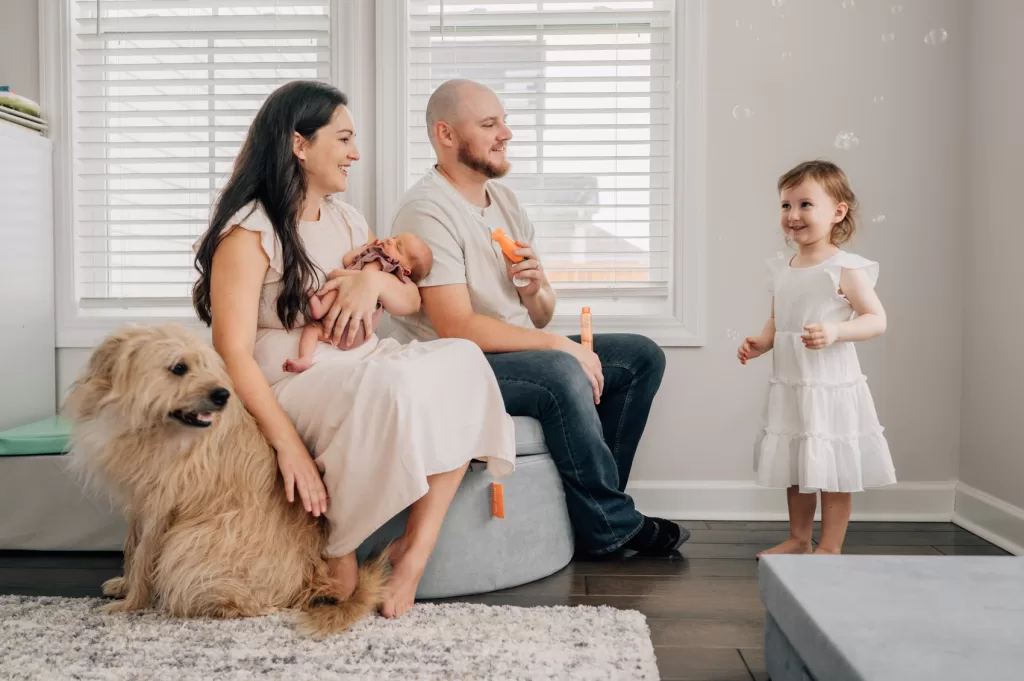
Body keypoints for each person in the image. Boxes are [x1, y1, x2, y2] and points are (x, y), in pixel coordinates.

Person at [191, 80, 515, 618]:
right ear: (300, 144)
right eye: (343, 139)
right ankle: (339, 543)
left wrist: (374, 286)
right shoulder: (249, 233)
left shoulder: (348, 220)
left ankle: (414, 550)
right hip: (293, 379)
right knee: (389, 386)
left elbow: (410, 298)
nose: (355, 154)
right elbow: (230, 353)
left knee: (463, 361)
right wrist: (288, 444)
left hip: (361, 364)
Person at [389, 79, 688, 559]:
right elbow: (457, 328)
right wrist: (565, 349)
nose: (505, 133)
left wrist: (535, 285)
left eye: (503, 121)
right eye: (489, 124)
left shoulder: (503, 202)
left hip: (512, 349)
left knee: (639, 357)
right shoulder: (426, 209)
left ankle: (592, 515)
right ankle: (612, 526)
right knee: (562, 371)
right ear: (446, 134)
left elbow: (541, 315)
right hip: (455, 364)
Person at [737, 159, 895, 557]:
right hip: (793, 383)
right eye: (786, 205)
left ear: (837, 212)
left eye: (805, 204)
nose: (793, 215)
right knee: (798, 463)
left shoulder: (844, 268)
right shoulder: (783, 267)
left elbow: (876, 320)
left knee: (833, 467)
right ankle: (798, 538)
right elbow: (779, 317)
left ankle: (830, 546)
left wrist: (837, 330)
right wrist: (762, 341)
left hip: (830, 386)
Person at [283, 233, 434, 373]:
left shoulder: (386, 265)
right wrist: (366, 249)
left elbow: (363, 277)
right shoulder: (374, 254)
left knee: (337, 289)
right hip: (353, 335)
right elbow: (348, 260)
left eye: (398, 246)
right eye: (394, 237)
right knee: (313, 329)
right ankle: (305, 360)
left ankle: (318, 310)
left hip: (356, 323)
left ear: (405, 270)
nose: (390, 240)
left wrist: (339, 273)